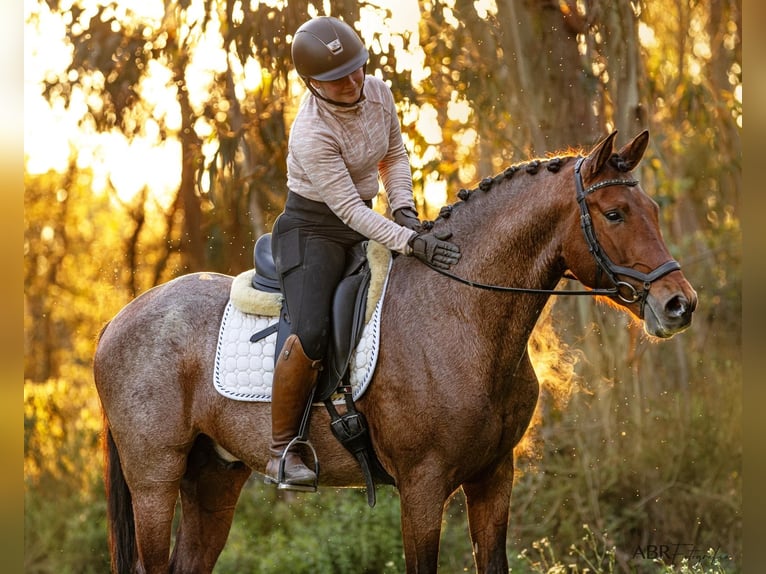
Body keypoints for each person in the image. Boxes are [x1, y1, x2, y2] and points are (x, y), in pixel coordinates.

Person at [266, 15, 461, 490]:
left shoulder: (378, 91)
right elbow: (349, 211)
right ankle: (281, 449)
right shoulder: (311, 133)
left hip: (368, 218)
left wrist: (405, 211)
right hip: (315, 231)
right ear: (313, 83)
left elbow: (393, 155)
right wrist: (409, 242)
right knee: (311, 330)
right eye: (338, 78)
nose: (354, 81)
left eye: (357, 68)